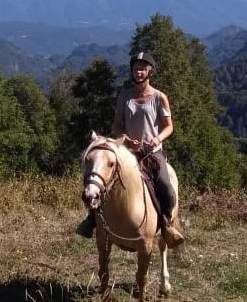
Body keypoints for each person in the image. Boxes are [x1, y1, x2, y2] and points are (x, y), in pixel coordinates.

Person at [76, 51, 184, 247]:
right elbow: (117, 125)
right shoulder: (124, 96)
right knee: (104, 181)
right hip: (127, 152)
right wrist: (124, 138)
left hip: (152, 153)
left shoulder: (159, 97)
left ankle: (167, 225)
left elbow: (169, 127)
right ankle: (92, 218)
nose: (138, 72)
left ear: (150, 72)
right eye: (136, 69)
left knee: (166, 187)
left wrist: (157, 139)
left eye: (142, 69)